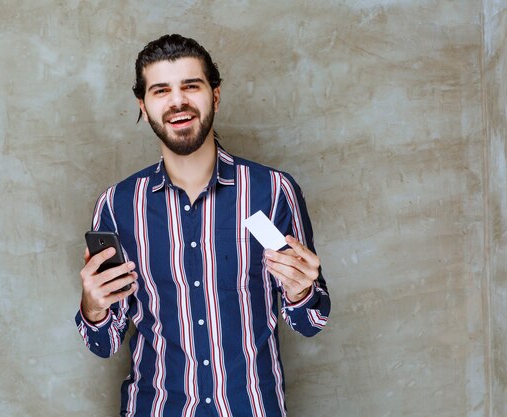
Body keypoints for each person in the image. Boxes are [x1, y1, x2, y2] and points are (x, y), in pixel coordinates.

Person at [75, 34, 330, 417]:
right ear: (143, 106)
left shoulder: (273, 192)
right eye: (161, 90)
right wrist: (93, 307)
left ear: (215, 95)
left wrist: (301, 292)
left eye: (190, 86)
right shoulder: (117, 207)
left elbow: (312, 321)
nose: (178, 101)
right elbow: (104, 343)